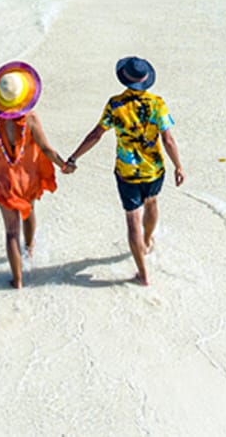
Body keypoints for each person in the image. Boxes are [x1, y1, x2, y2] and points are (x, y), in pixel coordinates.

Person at [64, 56, 185, 286]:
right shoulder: (157, 103)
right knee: (152, 203)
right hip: (155, 169)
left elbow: (96, 135)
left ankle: (143, 274)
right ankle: (147, 241)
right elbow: (168, 139)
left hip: (127, 171)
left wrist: (73, 158)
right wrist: (178, 165)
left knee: (132, 220)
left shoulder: (115, 104)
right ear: (146, 79)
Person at [0, 61, 69, 289]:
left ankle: (18, 280)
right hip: (27, 178)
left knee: (11, 232)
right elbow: (46, 149)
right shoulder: (30, 118)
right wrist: (63, 165)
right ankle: (30, 250)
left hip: (4, 179)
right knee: (29, 211)